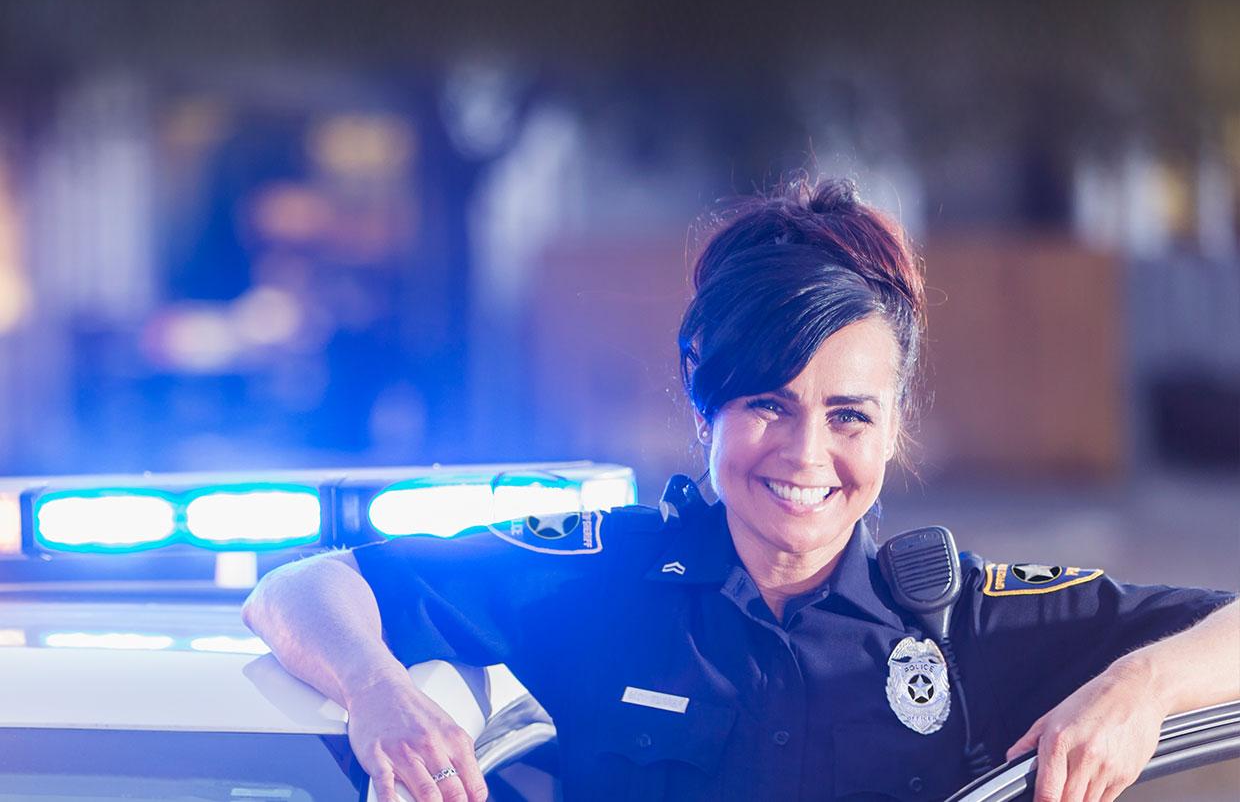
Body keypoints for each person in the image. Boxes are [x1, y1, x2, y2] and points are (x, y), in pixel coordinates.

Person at [243, 177, 1238, 802]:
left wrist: (1136, 686)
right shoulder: (597, 579)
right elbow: (301, 588)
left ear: (892, 424)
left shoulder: (962, 622)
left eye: (849, 415)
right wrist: (378, 695)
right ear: (699, 396)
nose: (806, 456)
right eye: (768, 403)